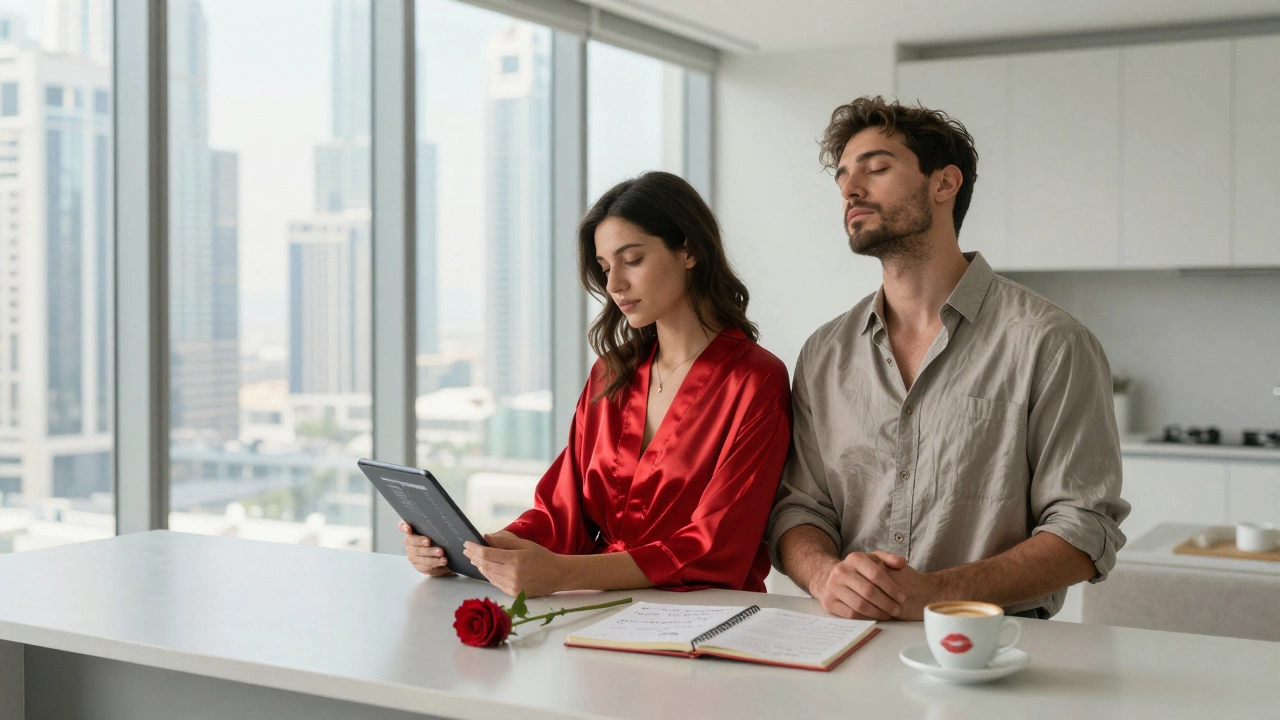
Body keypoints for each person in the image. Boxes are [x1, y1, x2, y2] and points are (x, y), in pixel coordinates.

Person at [767, 96, 1130, 620]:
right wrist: (825, 576)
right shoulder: (824, 354)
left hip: (995, 651)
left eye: (877, 168)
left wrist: (936, 594)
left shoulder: (1051, 342)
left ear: (944, 184)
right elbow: (798, 508)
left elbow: (1083, 528)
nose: (850, 189)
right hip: (849, 643)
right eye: (844, 176)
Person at [402, 171, 792, 598]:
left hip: (703, 624)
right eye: (605, 268)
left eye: (633, 260)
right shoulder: (612, 375)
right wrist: (471, 549)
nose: (614, 285)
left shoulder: (756, 381)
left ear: (690, 251)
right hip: (597, 619)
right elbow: (559, 516)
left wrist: (565, 575)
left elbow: (716, 546)